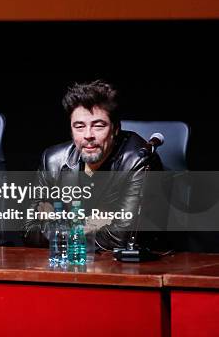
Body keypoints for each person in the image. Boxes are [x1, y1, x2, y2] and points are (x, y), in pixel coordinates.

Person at [23, 80, 163, 251]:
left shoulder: (138, 160)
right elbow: (29, 229)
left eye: (98, 126)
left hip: (124, 270)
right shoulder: (53, 160)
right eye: (79, 126)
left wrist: (58, 226)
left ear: (116, 129)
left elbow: (120, 238)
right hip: (67, 265)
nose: (88, 135)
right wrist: (92, 226)